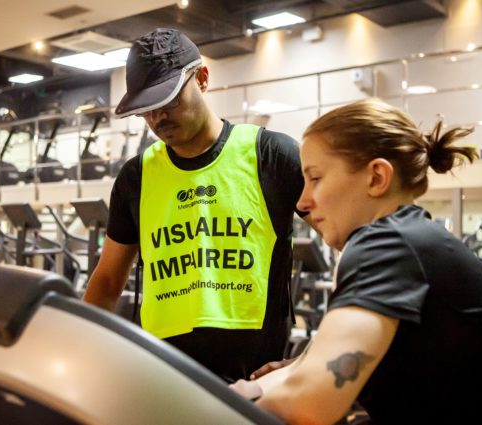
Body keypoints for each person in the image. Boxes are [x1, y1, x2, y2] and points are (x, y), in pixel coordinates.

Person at [231, 99, 482, 424]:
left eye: (316, 178)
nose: (303, 201)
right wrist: (253, 389)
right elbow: (305, 368)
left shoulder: (388, 242)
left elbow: (310, 402)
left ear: (377, 177)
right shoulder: (407, 236)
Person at [83, 28, 312, 382]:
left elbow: (353, 241)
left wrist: (313, 356)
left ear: (202, 78)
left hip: (255, 384)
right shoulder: (136, 177)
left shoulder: (272, 155)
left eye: (169, 100)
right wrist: (83, 356)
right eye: (147, 109)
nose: (158, 118)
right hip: (164, 381)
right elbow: (108, 280)